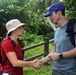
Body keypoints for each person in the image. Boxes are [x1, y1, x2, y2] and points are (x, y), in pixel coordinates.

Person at [37, 2, 76, 75]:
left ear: (59, 13)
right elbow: (54, 52)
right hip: (55, 70)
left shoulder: (74, 27)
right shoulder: (57, 31)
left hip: (69, 71)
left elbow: (58, 55)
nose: (50, 18)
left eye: (51, 15)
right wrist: (40, 61)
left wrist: (60, 55)